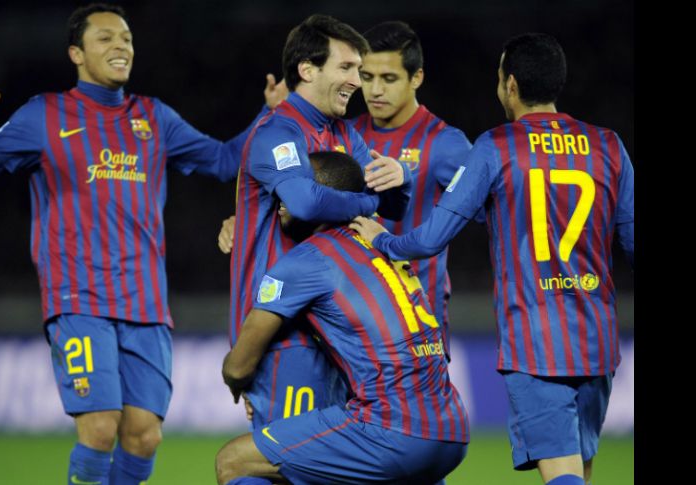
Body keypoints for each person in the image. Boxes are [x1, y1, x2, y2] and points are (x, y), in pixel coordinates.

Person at [0, 4, 269, 484]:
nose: (120, 46)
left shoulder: (153, 117)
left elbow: (224, 160)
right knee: (100, 428)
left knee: (143, 436)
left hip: (146, 303)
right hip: (79, 299)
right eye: (105, 38)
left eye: (126, 38)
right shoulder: (44, 115)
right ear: (76, 53)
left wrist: (272, 115)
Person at [351, 33, 634, 485]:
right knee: (580, 468)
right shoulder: (609, 146)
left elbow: (431, 238)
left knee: (562, 474)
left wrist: (384, 241)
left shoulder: (497, 146)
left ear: (511, 85)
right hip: (597, 338)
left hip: (536, 339)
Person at [217, 151, 468, 485]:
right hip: (451, 426)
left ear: (317, 199)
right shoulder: (379, 242)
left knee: (233, 461)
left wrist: (238, 382)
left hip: (391, 429)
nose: (281, 198)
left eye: (293, 188)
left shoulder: (308, 260)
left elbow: (239, 366)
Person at [228, 14, 412, 430]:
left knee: (333, 457)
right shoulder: (277, 133)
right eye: (346, 68)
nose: (357, 81)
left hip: (340, 330)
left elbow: (393, 204)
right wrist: (367, 202)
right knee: (287, 458)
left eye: (358, 70)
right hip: (285, 333)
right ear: (307, 70)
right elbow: (305, 203)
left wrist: (403, 174)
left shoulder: (345, 135)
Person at [351, 20, 474, 359]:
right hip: (352, 318)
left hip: (417, 319)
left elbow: (492, 211)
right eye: (367, 77)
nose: (375, 90)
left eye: (388, 78)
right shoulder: (345, 134)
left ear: (416, 77)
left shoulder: (446, 144)